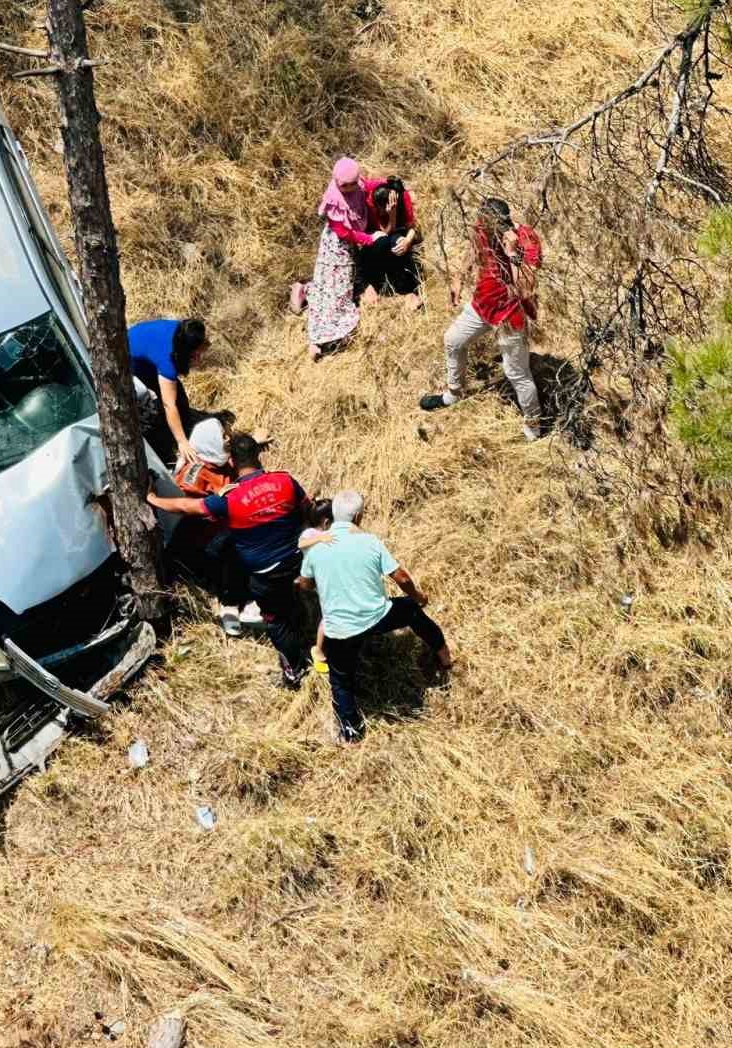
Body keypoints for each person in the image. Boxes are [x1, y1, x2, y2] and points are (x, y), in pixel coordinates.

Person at [148, 433, 311, 685]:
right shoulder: (285, 480)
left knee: (277, 623)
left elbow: (187, 507)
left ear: (232, 462)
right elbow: (306, 508)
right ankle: (301, 626)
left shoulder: (231, 499)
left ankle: (294, 670)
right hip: (297, 562)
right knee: (291, 604)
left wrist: (153, 499)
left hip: (264, 575)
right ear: (258, 455)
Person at [296, 491, 452, 743]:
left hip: (339, 630)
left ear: (333, 515)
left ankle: (351, 731)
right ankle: (444, 657)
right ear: (358, 516)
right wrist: (418, 596)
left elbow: (304, 584)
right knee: (412, 612)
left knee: (341, 680)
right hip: (378, 617)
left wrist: (320, 584)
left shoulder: (316, 548)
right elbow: (400, 577)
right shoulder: (369, 541)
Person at [419, 196, 543, 440]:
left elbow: (526, 288)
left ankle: (534, 427)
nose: (481, 229)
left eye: (486, 226)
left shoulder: (526, 240)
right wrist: (458, 279)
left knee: (516, 373)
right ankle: (453, 393)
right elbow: (474, 250)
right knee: (452, 340)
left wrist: (512, 255)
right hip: (482, 305)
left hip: (510, 315)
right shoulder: (482, 226)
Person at [291, 157, 380, 361]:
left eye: (352, 183)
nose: (349, 188)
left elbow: (368, 185)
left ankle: (304, 290)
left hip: (348, 249)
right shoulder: (334, 200)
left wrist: (389, 184)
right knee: (332, 292)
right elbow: (344, 233)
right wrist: (368, 239)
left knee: (335, 289)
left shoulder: (357, 184)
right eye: (344, 185)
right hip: (337, 249)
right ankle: (316, 340)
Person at [128, 316, 209, 464]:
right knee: (169, 403)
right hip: (131, 363)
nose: (199, 358)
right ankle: (169, 444)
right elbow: (169, 405)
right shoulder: (166, 362)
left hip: (141, 346)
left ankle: (185, 424)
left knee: (179, 397)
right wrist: (182, 442)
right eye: (195, 354)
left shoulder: (184, 330)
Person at [356, 174, 421, 308]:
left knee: (398, 243)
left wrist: (407, 241)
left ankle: (409, 290)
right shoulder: (370, 199)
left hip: (395, 233)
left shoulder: (403, 197)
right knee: (384, 242)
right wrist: (392, 216)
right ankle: (369, 285)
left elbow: (412, 228)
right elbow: (385, 233)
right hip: (376, 236)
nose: (380, 213)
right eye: (378, 209)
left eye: (381, 211)